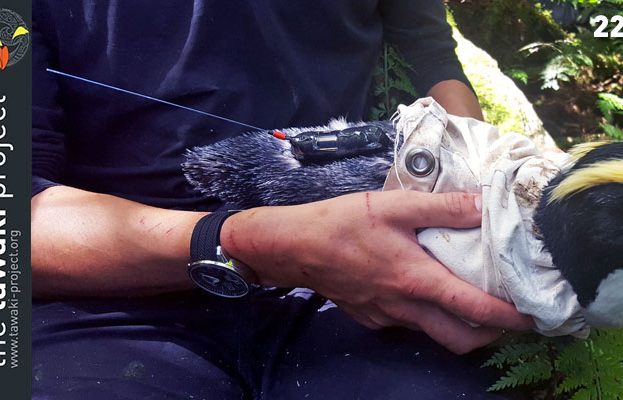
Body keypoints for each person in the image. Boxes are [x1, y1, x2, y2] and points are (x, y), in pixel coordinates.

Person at [30, 1, 534, 398]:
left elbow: (432, 56)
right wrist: (250, 242)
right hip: (109, 302)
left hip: (358, 280)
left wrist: (481, 178)